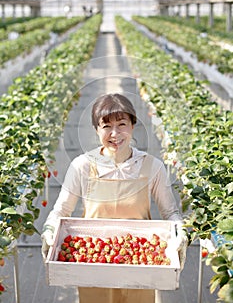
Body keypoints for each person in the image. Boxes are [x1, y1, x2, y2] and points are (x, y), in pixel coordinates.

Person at [41, 93, 188, 303]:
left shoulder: (151, 166)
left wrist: (179, 231)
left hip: (141, 264)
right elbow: (61, 211)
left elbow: (170, 212)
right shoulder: (82, 166)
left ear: (133, 126)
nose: (115, 133)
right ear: (96, 129)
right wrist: (49, 229)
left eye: (122, 124)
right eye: (106, 126)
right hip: (94, 263)